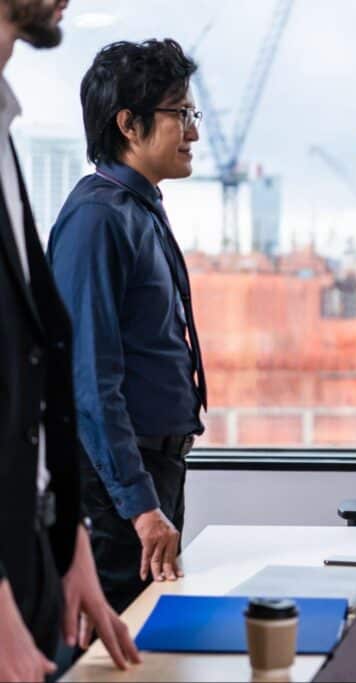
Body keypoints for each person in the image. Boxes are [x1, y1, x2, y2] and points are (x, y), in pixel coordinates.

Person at [0, 1, 139, 680]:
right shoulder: (96, 214)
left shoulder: (4, 127)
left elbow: (33, 367)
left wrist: (68, 547)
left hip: (31, 556)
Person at [48, 39, 206, 615]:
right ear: (129, 125)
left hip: (155, 468)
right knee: (115, 650)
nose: (193, 130)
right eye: (181, 115)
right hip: (119, 487)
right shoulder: (98, 218)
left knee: (150, 642)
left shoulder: (138, 208)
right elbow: (89, 379)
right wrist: (140, 505)